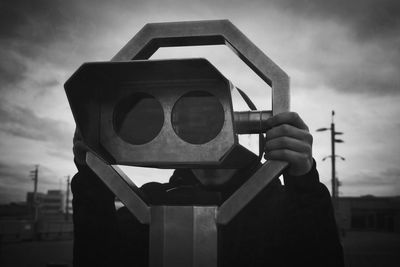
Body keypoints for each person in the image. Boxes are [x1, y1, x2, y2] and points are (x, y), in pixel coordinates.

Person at [71, 112, 344, 267]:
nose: (207, 139)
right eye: (191, 129)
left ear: (252, 133)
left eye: (218, 125)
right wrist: (93, 179)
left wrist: (304, 180)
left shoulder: (287, 205)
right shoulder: (149, 202)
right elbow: (99, 258)